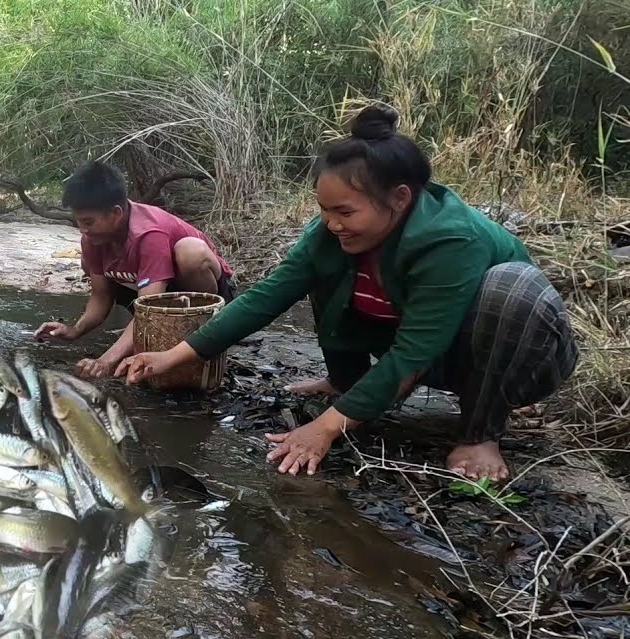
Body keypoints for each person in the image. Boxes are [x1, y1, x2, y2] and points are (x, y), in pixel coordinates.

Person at [116, 105, 578, 481]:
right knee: (325, 274)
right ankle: (349, 385)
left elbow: (415, 351)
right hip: (435, 354)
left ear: (399, 199)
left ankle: (480, 433)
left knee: (509, 289)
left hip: (513, 362)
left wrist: (325, 427)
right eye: (323, 209)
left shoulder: (450, 239)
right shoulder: (331, 235)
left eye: (345, 211)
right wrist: (174, 355)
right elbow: (267, 297)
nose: (331, 223)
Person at [33, 161, 235, 379]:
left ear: (116, 213)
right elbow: (101, 295)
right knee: (87, 263)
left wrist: (106, 361)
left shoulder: (149, 234)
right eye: (79, 222)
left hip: (206, 292)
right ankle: (168, 334)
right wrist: (75, 330)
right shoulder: (92, 239)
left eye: (89, 222)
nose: (83, 230)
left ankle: (200, 330)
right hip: (158, 296)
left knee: (190, 252)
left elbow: (147, 312)